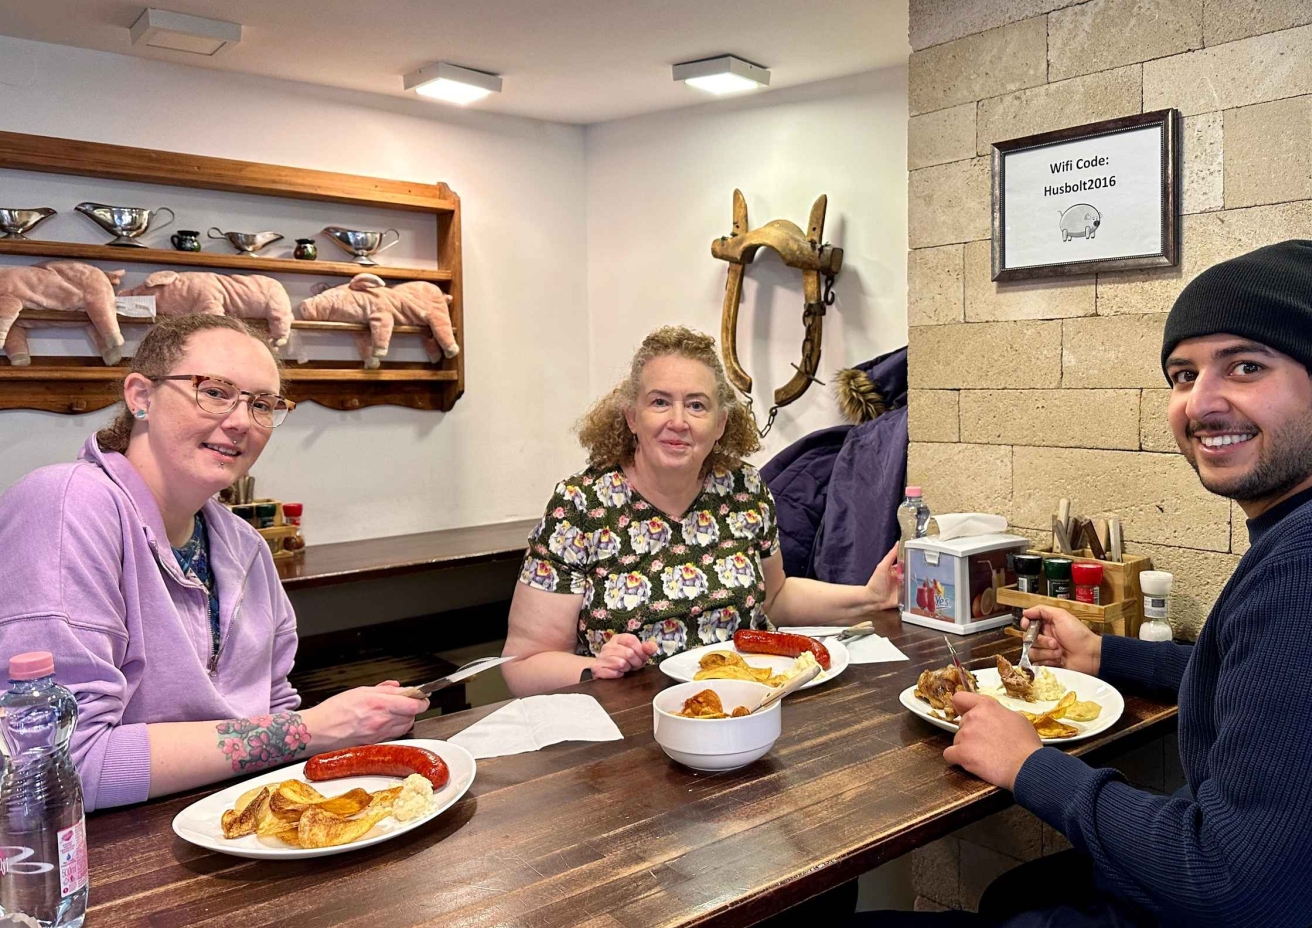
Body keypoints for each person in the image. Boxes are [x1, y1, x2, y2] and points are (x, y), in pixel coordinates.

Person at [791, 241, 1312, 928]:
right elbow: (1275, 685)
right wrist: (1106, 655)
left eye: (1246, 367)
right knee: (1015, 894)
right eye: (1184, 374)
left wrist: (1031, 766)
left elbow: (1237, 882)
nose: (1202, 403)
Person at [0, 314, 429, 812]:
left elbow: (274, 713)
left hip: (238, 824)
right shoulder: (66, 504)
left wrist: (350, 728)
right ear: (141, 396)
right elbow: (60, 762)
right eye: (216, 392)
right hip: (102, 845)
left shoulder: (245, 546)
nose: (242, 421)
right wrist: (313, 728)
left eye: (262, 404)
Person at [501, 325, 901, 696]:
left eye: (696, 405)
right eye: (660, 402)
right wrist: (595, 668)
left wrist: (868, 596)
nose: (678, 421)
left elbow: (775, 596)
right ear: (632, 417)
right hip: (633, 719)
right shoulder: (579, 507)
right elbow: (523, 664)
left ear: (721, 423)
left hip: (750, 704)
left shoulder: (745, 490)